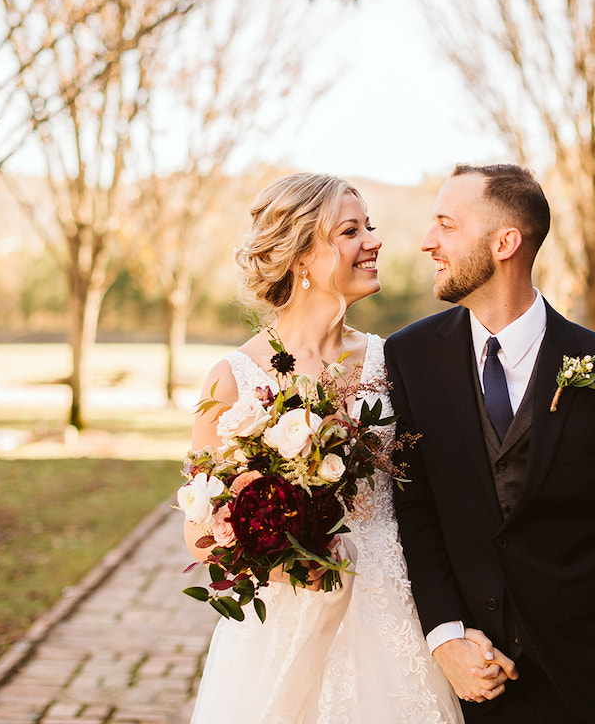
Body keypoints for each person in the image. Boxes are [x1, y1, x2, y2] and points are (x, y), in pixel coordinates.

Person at [384, 164, 595, 724]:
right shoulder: (410, 357)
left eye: (446, 225)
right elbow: (415, 511)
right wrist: (446, 637)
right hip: (474, 676)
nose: (428, 242)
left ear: (505, 243)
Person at [185, 173, 464, 724]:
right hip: (283, 629)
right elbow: (200, 535)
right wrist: (291, 564)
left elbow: (432, 497)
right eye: (351, 231)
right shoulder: (232, 380)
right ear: (300, 256)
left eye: (371, 228)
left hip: (394, 614)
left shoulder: (394, 362)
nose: (374, 241)